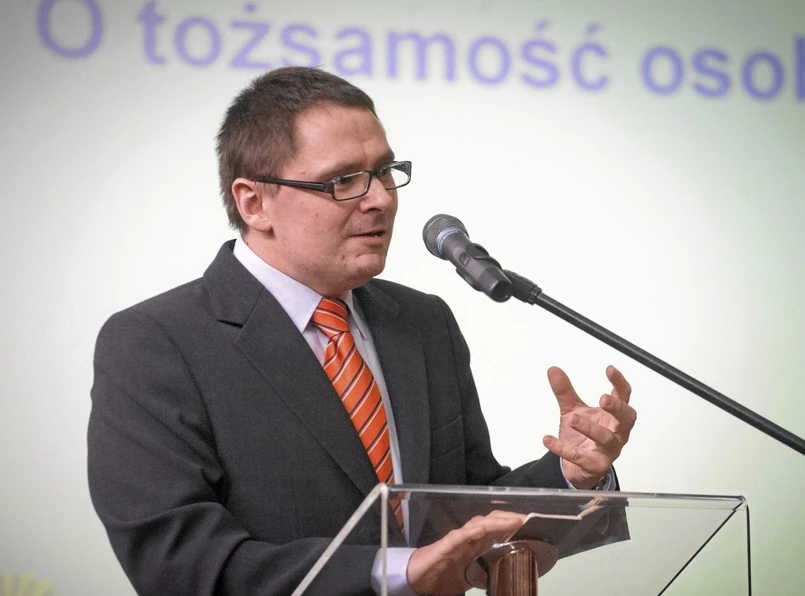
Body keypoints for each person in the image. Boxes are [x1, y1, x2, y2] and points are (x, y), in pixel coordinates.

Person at [88, 66, 636, 596]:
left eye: (384, 171)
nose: (380, 198)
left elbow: (465, 509)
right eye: (343, 180)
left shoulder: (423, 322)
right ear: (254, 203)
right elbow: (180, 564)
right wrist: (395, 572)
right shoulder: (155, 343)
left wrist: (571, 476)